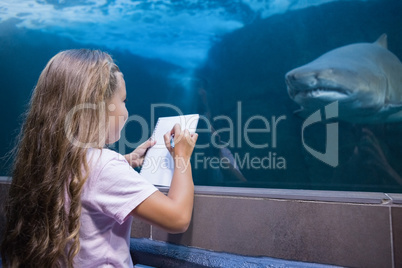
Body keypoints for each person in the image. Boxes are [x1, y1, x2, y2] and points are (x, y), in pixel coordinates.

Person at [0, 49, 198, 267]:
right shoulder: (104, 166)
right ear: (98, 106)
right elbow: (178, 218)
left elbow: (85, 179)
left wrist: (128, 160)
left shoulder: (46, 161)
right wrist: (182, 157)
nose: (126, 111)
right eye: (123, 100)